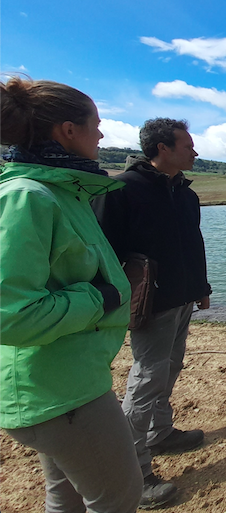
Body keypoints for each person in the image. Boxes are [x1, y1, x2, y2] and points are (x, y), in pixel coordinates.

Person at [0, 76, 142, 512]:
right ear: (67, 131)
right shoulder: (28, 197)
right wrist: (102, 298)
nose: (101, 134)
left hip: (63, 378)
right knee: (118, 498)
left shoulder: (64, 193)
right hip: (58, 388)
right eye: (95, 124)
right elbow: (10, 315)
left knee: (65, 493)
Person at [92, 118, 211, 509]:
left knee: (169, 368)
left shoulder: (184, 193)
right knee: (146, 379)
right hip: (148, 303)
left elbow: (192, 244)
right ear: (162, 148)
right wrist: (114, 299)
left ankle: (160, 434)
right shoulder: (123, 189)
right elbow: (102, 250)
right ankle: (132, 472)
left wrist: (201, 288)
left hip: (181, 297)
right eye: (187, 145)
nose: (195, 152)